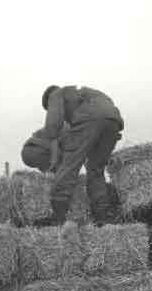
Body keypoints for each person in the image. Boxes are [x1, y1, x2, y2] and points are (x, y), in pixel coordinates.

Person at [27, 85, 124, 227]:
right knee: (95, 170)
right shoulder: (88, 93)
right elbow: (105, 113)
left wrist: (54, 153)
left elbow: (53, 126)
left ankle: (58, 217)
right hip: (113, 121)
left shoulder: (56, 94)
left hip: (90, 119)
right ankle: (102, 217)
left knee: (70, 165)